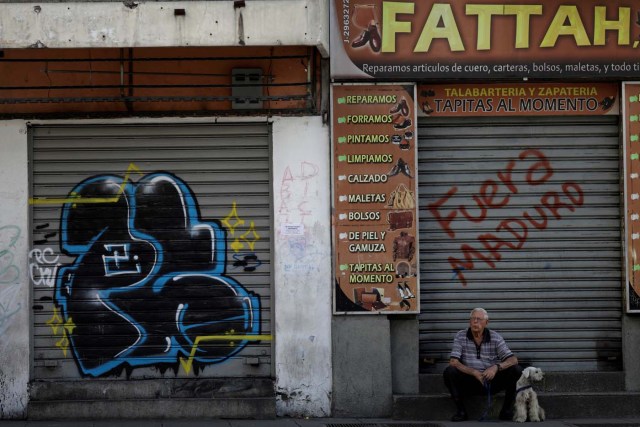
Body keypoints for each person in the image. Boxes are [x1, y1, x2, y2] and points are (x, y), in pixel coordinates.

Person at [443, 308, 523, 422]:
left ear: (486, 322)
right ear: (469, 321)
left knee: (517, 370)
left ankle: (506, 411)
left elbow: (513, 359)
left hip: (491, 381)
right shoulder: (460, 336)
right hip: (470, 381)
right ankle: (461, 412)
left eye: (479, 319)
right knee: (449, 371)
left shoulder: (495, 337)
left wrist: (496, 367)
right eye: (473, 319)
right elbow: (453, 362)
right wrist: (474, 372)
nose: (475, 322)